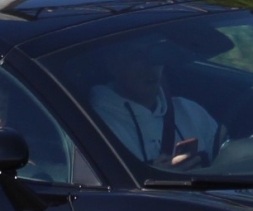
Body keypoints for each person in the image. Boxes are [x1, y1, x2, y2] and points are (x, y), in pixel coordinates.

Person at [87, 39, 221, 168]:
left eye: (156, 54)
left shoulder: (190, 111)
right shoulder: (96, 126)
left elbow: (227, 161)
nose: (150, 64)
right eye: (137, 55)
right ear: (113, 64)